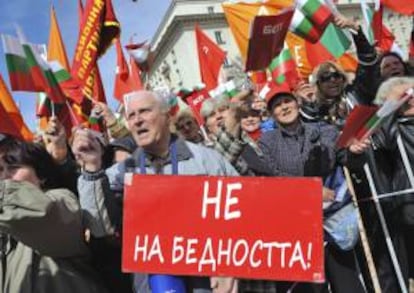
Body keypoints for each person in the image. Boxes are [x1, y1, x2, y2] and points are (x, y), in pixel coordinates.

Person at [72, 90, 239, 293]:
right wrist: (91, 167)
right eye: (131, 116)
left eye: (144, 111)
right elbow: (99, 227)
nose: (137, 120)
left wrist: (227, 264)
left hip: (210, 280)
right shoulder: (120, 174)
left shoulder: (207, 160)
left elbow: (241, 212)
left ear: (166, 116)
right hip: (153, 283)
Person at [258, 90, 365, 293]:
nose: (284, 107)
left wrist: (355, 152)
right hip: (297, 225)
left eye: (287, 101)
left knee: (347, 282)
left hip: (333, 217)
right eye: (277, 105)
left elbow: (345, 157)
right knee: (313, 288)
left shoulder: (324, 130)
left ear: (297, 103)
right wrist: (311, 191)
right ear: (272, 113)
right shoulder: (267, 142)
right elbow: (272, 178)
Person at [0, 135, 107, 293]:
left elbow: (44, 214)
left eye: (13, 167)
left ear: (41, 175)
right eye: (0, 170)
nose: (4, 177)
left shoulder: (62, 198)